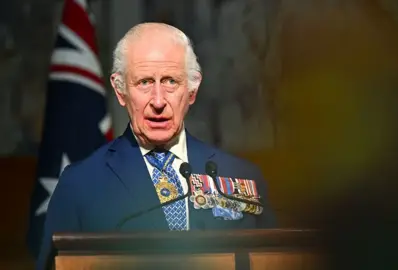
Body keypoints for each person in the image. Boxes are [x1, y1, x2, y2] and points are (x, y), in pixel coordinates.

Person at [35, 23, 277, 269]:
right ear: (120, 92)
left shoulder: (241, 176)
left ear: (192, 91)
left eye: (171, 81)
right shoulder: (79, 185)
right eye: (144, 82)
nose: (158, 101)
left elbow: (273, 260)